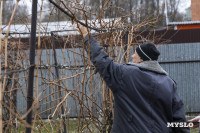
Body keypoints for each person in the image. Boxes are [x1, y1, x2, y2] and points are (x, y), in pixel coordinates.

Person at [77, 24, 190, 133]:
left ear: (141, 58)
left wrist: (87, 36)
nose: (132, 56)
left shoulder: (125, 75)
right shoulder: (170, 84)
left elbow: (102, 60)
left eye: (135, 53)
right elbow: (179, 121)